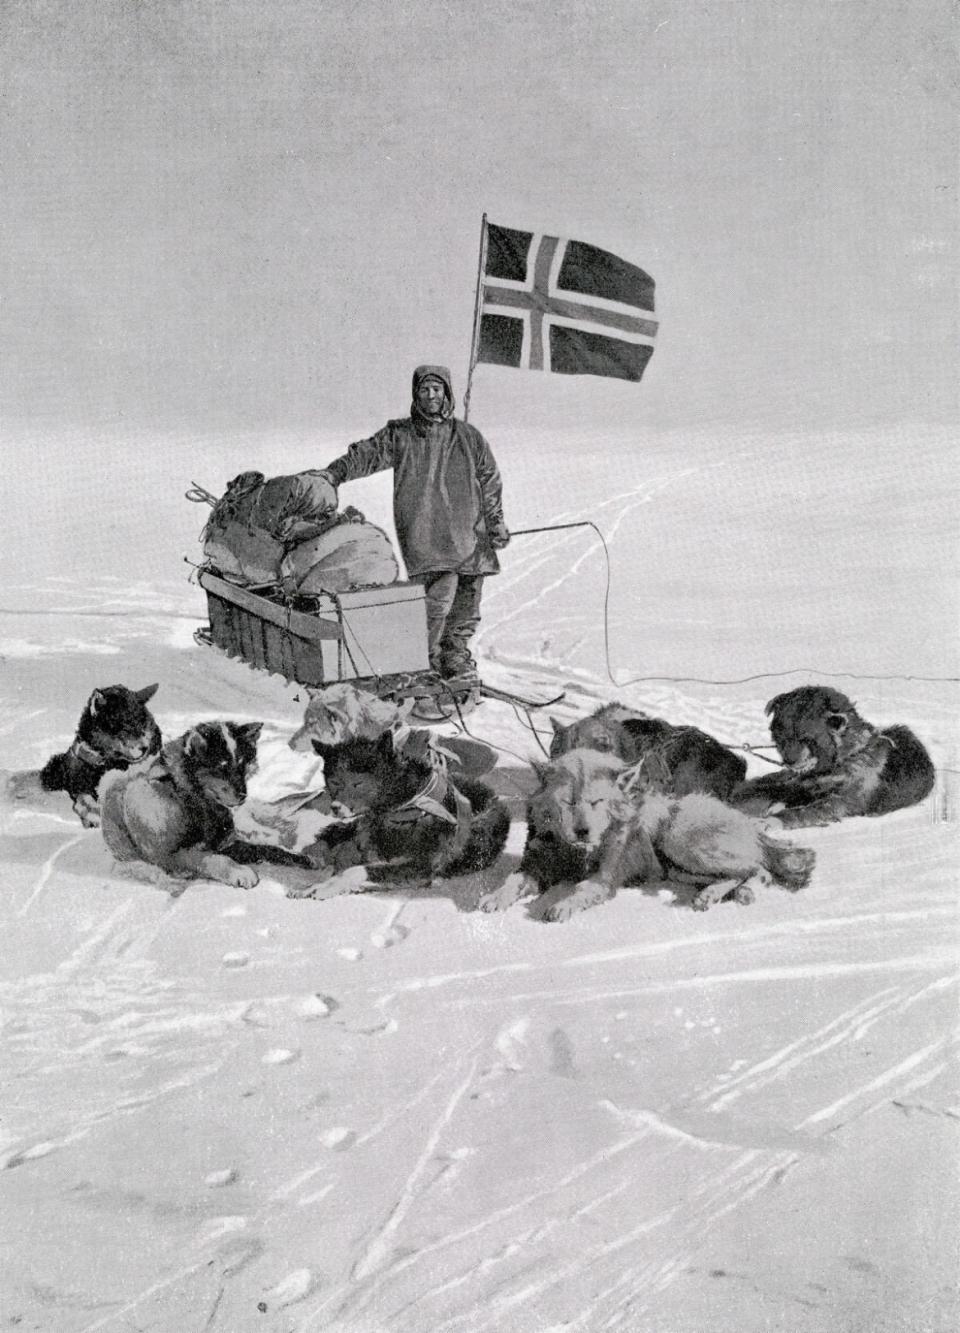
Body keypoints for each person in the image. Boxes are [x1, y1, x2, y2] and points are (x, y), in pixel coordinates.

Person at [318, 365, 509, 686]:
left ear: (447, 393)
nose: (431, 396)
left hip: (471, 536)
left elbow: (489, 479)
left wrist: (496, 522)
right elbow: (366, 454)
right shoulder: (401, 434)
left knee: (467, 602)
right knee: (437, 604)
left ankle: (455, 657)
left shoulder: (468, 436)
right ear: (416, 394)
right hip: (428, 534)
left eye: (437, 390)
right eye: (424, 390)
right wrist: (333, 473)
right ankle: (425, 664)